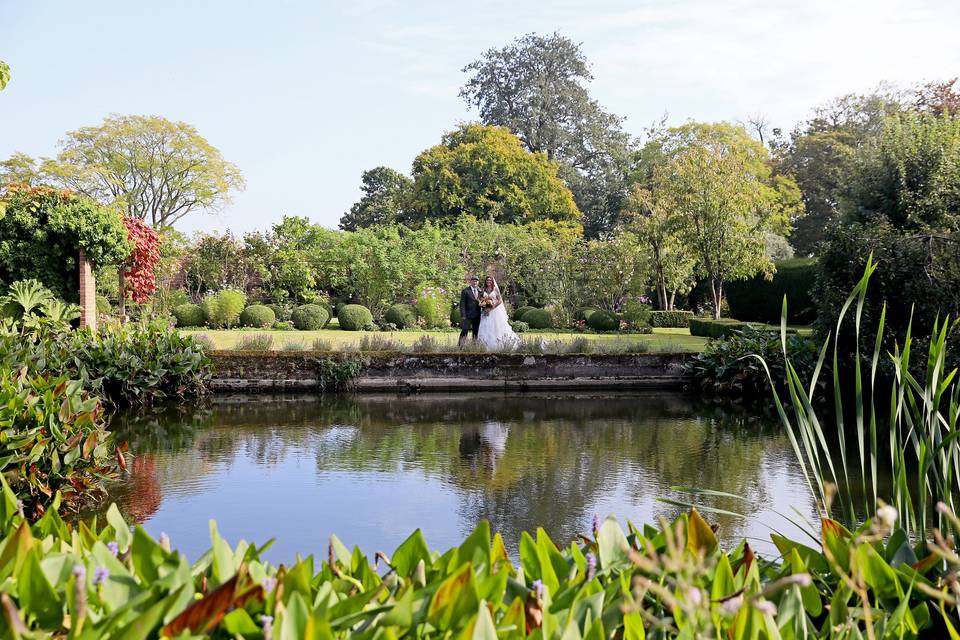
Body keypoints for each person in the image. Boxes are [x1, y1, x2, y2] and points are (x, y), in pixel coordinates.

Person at [477, 276, 520, 350]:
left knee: (496, 327)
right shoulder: (483, 290)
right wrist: (483, 305)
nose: (489, 281)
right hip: (485, 311)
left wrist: (492, 307)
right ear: (485, 281)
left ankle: (498, 344)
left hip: (495, 311)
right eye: (487, 280)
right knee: (485, 327)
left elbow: (500, 300)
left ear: (492, 282)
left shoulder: (495, 289)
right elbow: (481, 299)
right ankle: (484, 345)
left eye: (490, 280)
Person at [459, 275, 482, 345]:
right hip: (467, 315)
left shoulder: (480, 291)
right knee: (465, 330)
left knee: (476, 331)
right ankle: (460, 345)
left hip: (477, 315)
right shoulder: (465, 291)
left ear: (478, 282)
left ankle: (474, 346)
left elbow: (483, 302)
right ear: (470, 282)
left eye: (476, 281)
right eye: (473, 281)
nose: (475, 282)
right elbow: (462, 303)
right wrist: (463, 314)